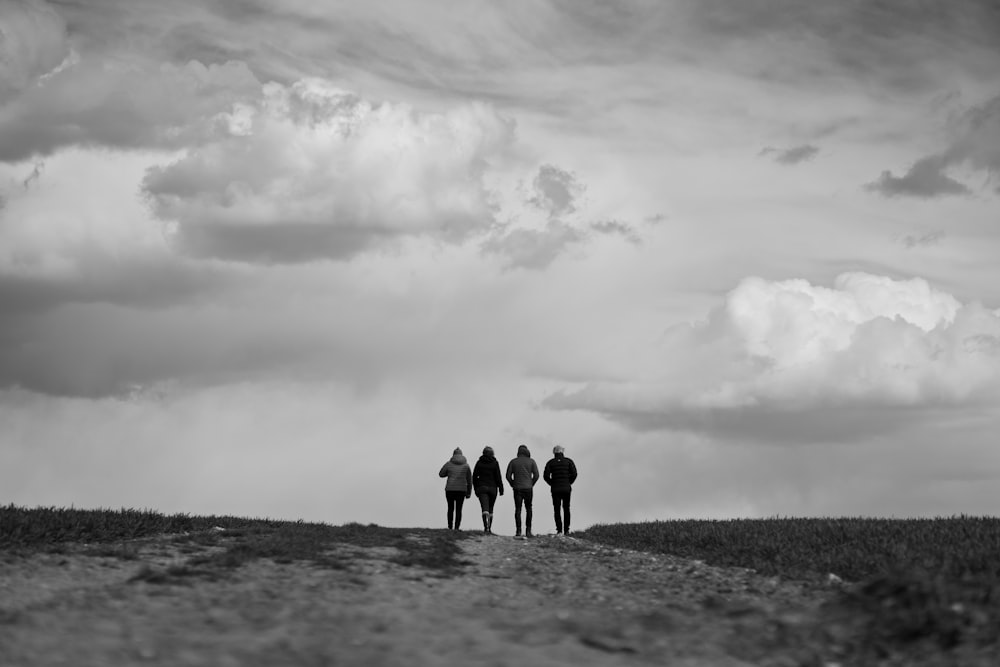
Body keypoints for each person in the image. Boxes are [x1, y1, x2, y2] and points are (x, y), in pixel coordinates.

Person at [505, 444, 539, 539]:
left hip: (517, 488)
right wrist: (531, 483)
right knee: (529, 509)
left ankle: (518, 531)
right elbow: (536, 475)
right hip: (528, 488)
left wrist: (512, 484)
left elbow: (508, 476)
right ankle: (528, 531)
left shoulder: (513, 462)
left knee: (518, 509)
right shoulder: (531, 461)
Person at [543, 445, 578, 536]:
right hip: (566, 489)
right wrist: (569, 482)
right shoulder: (569, 461)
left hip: (555, 489)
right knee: (566, 509)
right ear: (562, 452)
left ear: (554, 452)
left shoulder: (550, 462)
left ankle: (559, 530)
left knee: (557, 509)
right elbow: (574, 473)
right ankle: (566, 530)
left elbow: (545, 476)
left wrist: (552, 483)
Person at [472, 446, 504, 535]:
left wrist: (475, 488)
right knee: (491, 509)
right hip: (493, 488)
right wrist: (501, 488)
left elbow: (474, 476)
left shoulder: (479, 462)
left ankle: (485, 527)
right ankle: (489, 528)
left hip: (482, 487)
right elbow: (498, 477)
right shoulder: (495, 463)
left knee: (484, 509)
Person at [439, 447, 472, 530]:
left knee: (450, 508)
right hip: (461, 490)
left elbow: (441, 474)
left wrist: (449, 473)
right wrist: (469, 492)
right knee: (459, 509)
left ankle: (450, 527)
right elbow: (469, 480)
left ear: (453, 455)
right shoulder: (466, 465)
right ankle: (456, 528)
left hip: (450, 489)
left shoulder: (448, 464)